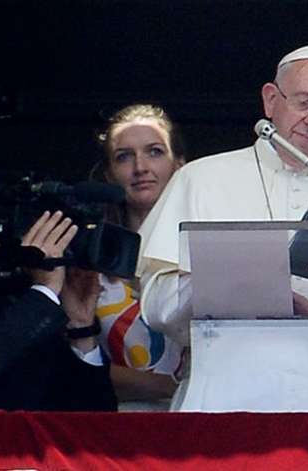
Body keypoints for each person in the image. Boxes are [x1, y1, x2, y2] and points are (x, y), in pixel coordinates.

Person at [138, 45, 308, 356]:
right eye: (304, 102)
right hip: (231, 377)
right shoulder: (199, 179)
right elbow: (157, 302)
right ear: (271, 99)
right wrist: (235, 293)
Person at [92, 104, 185, 409]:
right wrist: (176, 385)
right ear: (109, 176)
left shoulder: (205, 252)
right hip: (118, 433)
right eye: (124, 156)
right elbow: (76, 366)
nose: (140, 167)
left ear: (180, 166)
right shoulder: (91, 261)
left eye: (155, 152)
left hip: (198, 425)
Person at [0, 210, 116, 411]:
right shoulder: (37, 303)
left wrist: (81, 328)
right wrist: (45, 291)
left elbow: (95, 419)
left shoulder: (32, 302)